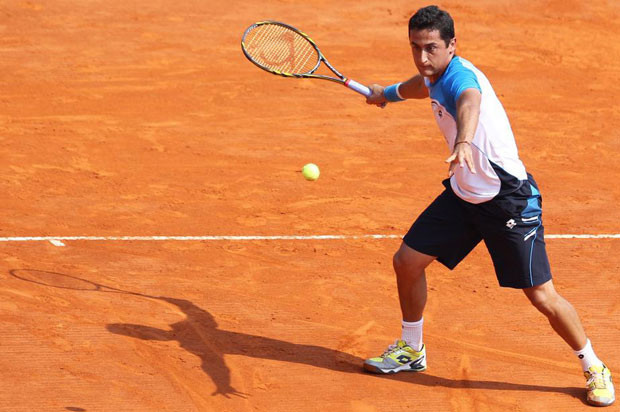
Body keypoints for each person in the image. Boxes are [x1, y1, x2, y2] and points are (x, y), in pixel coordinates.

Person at [363, 5, 614, 407]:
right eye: (415, 47)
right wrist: (387, 95)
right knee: (406, 261)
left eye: (431, 48)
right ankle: (412, 350)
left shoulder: (462, 77)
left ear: (452, 46)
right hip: (464, 193)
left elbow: (469, 102)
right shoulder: (435, 74)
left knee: (542, 296)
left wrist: (463, 139)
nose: (422, 57)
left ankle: (594, 366)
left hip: (506, 199)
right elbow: (421, 84)